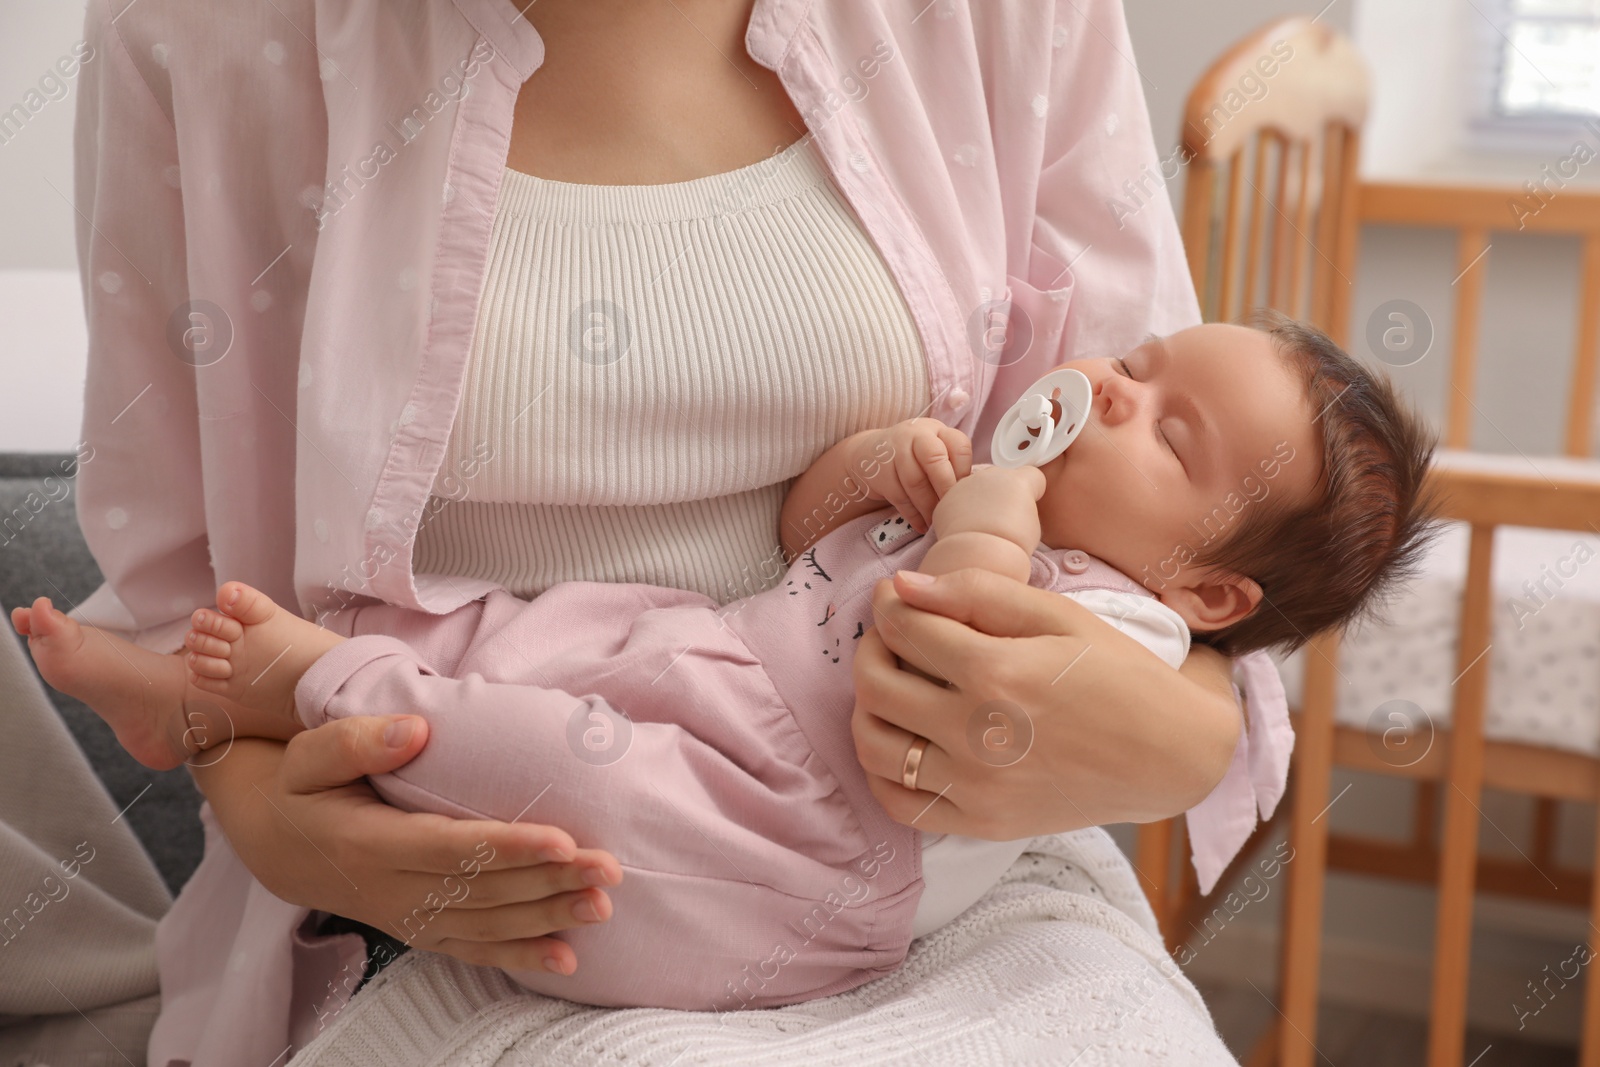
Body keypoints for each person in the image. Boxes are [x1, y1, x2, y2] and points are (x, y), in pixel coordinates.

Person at [8, 0, 1269, 1063]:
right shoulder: (209, 35)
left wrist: (1182, 734)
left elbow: (1200, 531)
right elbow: (186, 582)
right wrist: (281, 830)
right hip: (477, 881)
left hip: (942, 870)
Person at [16, 316, 1437, 1022]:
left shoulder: (1127, 624)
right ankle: (197, 695)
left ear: (1209, 587)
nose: (1113, 390)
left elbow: (935, 650)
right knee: (537, 625)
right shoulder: (994, 488)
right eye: (1136, 361)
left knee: (578, 779)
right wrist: (871, 466)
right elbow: (809, 535)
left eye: (1168, 433)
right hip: (707, 658)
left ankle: (310, 683)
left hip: (785, 838)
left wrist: (985, 509)